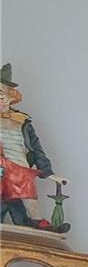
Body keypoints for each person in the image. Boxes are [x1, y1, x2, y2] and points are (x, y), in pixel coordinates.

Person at [0, 64, 67, 233]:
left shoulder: (22, 122)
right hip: (3, 169)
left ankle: (36, 221)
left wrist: (49, 173)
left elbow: (37, 150)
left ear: (11, 97)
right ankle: (36, 220)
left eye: (0, 94)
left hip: (20, 169)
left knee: (24, 177)